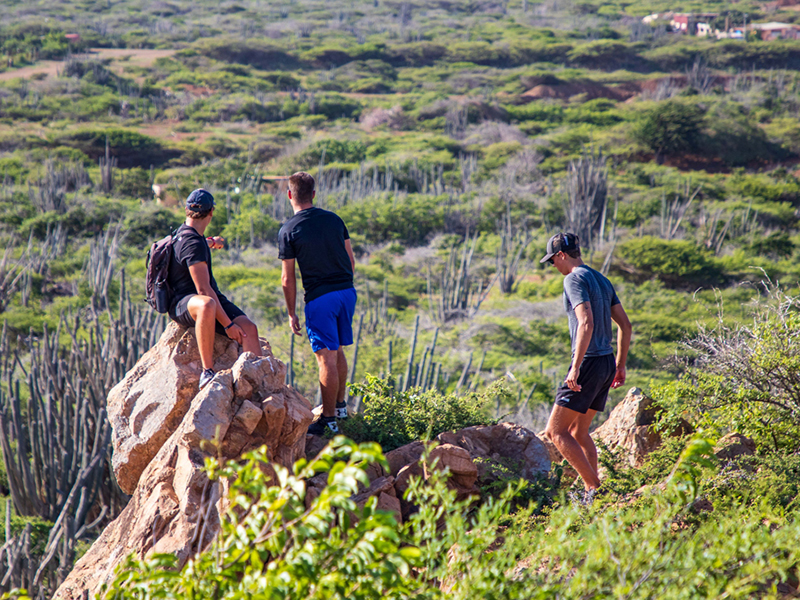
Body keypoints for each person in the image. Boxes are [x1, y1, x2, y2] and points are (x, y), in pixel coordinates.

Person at [541, 232, 632, 503]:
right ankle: (592, 490)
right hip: (605, 362)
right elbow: (625, 326)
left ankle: (594, 489)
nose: (553, 267)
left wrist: (575, 367)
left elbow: (586, 323)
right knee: (578, 432)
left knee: (555, 432)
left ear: (562, 255)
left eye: (552, 261)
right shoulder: (602, 280)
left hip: (589, 362)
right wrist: (620, 364)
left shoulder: (573, 278)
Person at [278, 172, 356, 436]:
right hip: (346, 292)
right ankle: (341, 407)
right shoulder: (334, 220)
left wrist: (291, 313)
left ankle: (329, 420)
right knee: (337, 351)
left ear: (290, 195)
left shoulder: (289, 230)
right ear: (313, 193)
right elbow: (350, 259)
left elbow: (287, 279)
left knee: (325, 359)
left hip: (320, 298)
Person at [168, 189, 262, 389]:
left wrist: (212, 242)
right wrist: (228, 325)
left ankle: (255, 386)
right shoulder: (192, 243)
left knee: (250, 329)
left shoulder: (191, 235)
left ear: (186, 210)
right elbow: (203, 290)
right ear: (211, 212)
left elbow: (199, 242)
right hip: (185, 302)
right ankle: (207, 371)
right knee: (207, 304)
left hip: (209, 297)